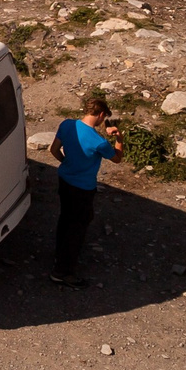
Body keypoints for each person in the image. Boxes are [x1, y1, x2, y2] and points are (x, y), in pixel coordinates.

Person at [49, 93, 120, 287]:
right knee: (78, 227)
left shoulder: (67, 125)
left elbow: (53, 150)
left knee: (65, 219)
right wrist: (119, 137)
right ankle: (62, 272)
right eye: (104, 117)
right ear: (101, 114)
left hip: (65, 180)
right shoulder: (99, 142)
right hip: (83, 188)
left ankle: (59, 255)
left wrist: (67, 164)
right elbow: (117, 158)